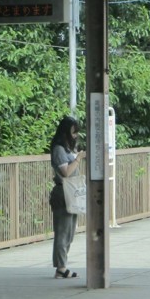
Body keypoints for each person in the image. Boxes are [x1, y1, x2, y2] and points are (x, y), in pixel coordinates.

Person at [49, 116, 85, 279]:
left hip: (71, 192)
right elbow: (66, 172)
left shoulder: (68, 149)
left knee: (70, 231)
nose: (76, 135)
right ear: (65, 133)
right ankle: (61, 267)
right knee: (63, 231)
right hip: (62, 193)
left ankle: (62, 266)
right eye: (73, 132)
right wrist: (78, 159)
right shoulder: (59, 150)